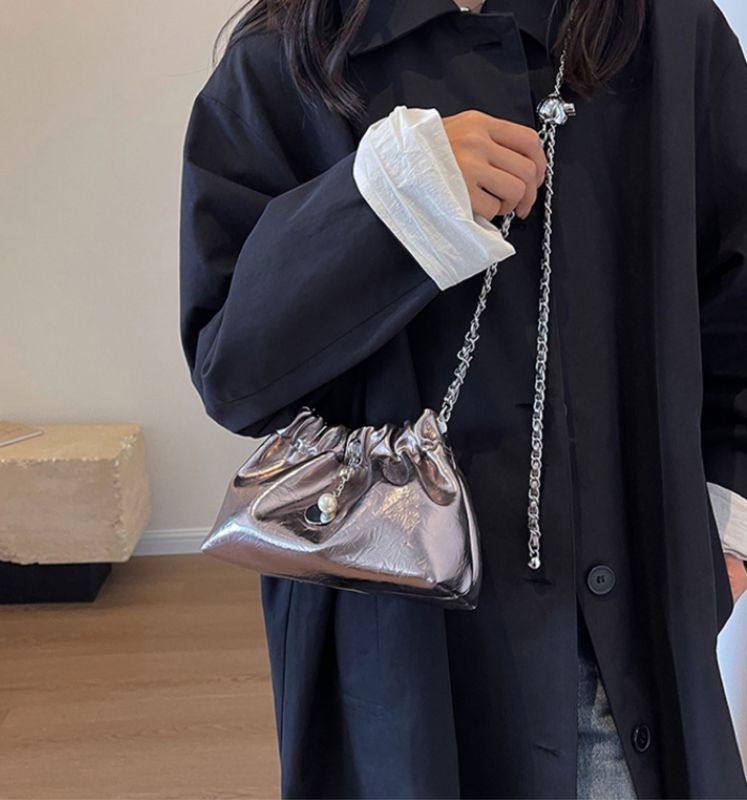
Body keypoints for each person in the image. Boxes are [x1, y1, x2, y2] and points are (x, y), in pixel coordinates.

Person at [178, 0, 747, 796]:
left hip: (618, 643)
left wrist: (726, 528)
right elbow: (234, 373)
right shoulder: (285, 57)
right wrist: (391, 199)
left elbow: (735, 303)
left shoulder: (667, 33)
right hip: (396, 647)